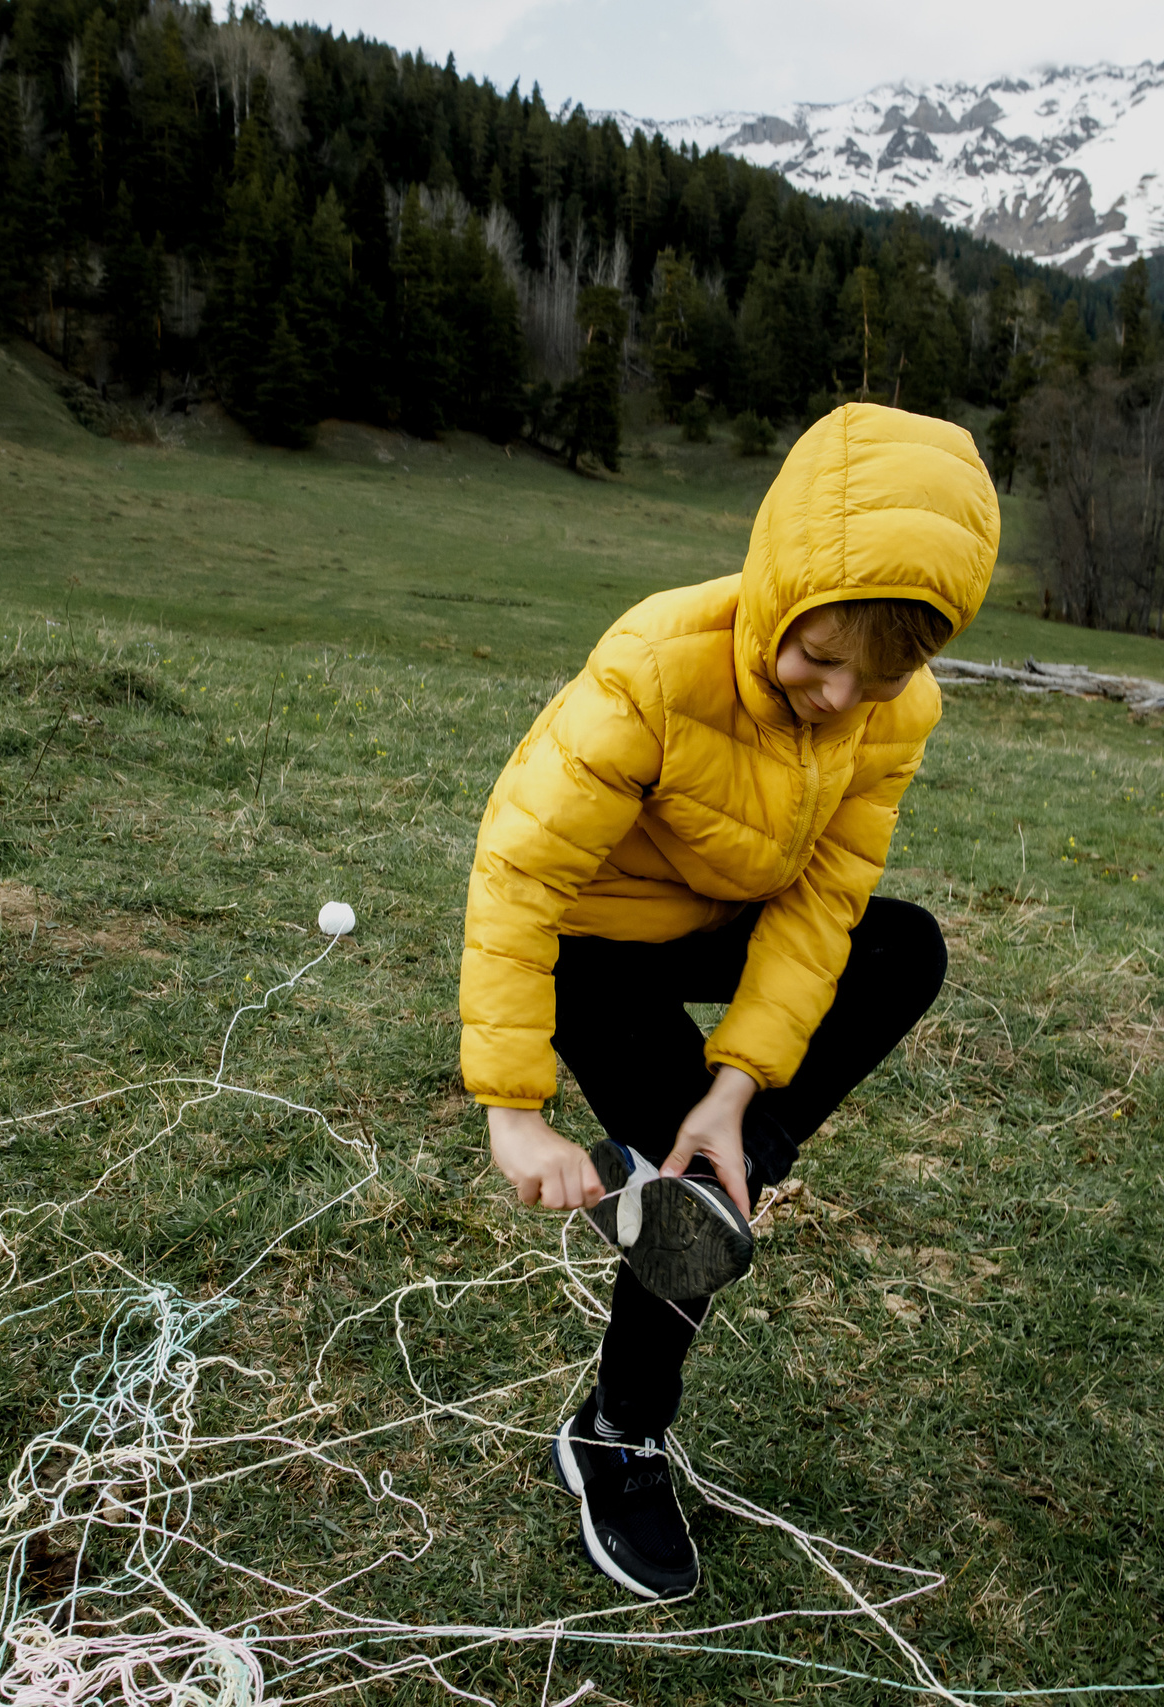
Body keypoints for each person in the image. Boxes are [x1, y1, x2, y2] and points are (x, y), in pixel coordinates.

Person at [456, 402, 1000, 1599]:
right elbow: (519, 871)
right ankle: (618, 1431)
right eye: (819, 655)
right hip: (594, 943)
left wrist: (740, 1084)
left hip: (713, 918)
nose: (836, 696)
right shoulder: (656, 665)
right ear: (778, 588)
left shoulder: (888, 713)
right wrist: (512, 1105)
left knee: (900, 946)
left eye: (882, 673)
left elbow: (822, 907)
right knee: (678, 1179)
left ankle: (721, 1156)